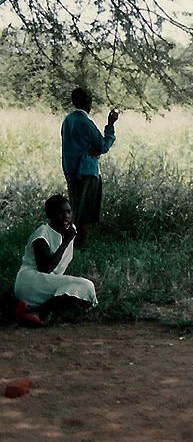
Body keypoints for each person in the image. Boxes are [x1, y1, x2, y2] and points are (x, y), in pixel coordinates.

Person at [13, 195, 98, 327]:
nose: (66, 217)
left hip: (45, 282)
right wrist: (66, 242)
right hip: (30, 281)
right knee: (87, 286)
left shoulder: (68, 231)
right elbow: (45, 268)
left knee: (80, 290)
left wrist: (70, 237)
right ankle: (38, 312)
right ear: (50, 215)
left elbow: (80, 245)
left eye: (69, 212)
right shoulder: (42, 235)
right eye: (60, 213)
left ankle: (30, 310)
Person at [61, 87, 119, 249]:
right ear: (88, 103)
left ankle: (67, 247)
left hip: (72, 171)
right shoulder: (85, 122)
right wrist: (110, 125)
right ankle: (78, 248)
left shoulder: (68, 121)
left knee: (73, 210)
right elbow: (103, 145)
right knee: (84, 214)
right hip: (87, 171)